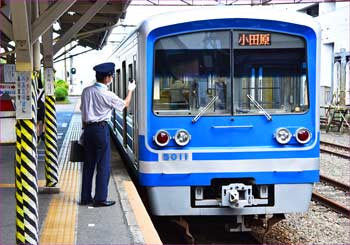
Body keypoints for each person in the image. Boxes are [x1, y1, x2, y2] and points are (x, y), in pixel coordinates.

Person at [79, 62, 136, 207]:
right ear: (106, 78)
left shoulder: (86, 91)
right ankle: (100, 198)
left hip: (88, 130)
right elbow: (124, 104)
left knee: (88, 165)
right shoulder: (107, 94)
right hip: (100, 130)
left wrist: (84, 129)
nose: (111, 78)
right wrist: (131, 90)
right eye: (111, 76)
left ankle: (85, 197)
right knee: (103, 164)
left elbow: (82, 109)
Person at [37, 78, 46, 142]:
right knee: (43, 121)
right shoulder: (43, 91)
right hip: (42, 107)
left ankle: (37, 134)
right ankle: (43, 132)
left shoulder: (34, 90)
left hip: (36, 107)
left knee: (37, 122)